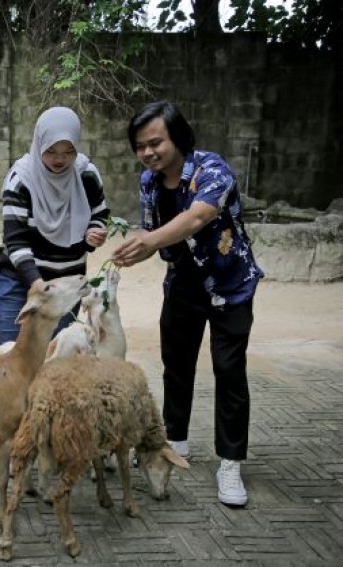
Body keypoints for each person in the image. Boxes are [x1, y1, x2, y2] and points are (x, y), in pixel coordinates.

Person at [113, 100, 263, 507]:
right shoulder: (149, 182)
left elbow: (197, 218)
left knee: (229, 370)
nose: (148, 153)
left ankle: (230, 463)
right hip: (182, 285)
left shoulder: (212, 170)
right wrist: (127, 253)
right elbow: (153, 235)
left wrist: (149, 241)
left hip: (230, 286)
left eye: (155, 142)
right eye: (140, 146)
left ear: (177, 137)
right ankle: (173, 440)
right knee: (176, 366)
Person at [0, 106, 110, 460]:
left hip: (66, 282)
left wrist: (97, 233)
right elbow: (16, 242)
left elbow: (100, 213)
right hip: (22, 279)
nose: (59, 160)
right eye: (51, 151)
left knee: (55, 360)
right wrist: (39, 287)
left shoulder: (86, 173)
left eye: (67, 151)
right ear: (38, 145)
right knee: (11, 354)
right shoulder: (21, 178)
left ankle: (45, 433)